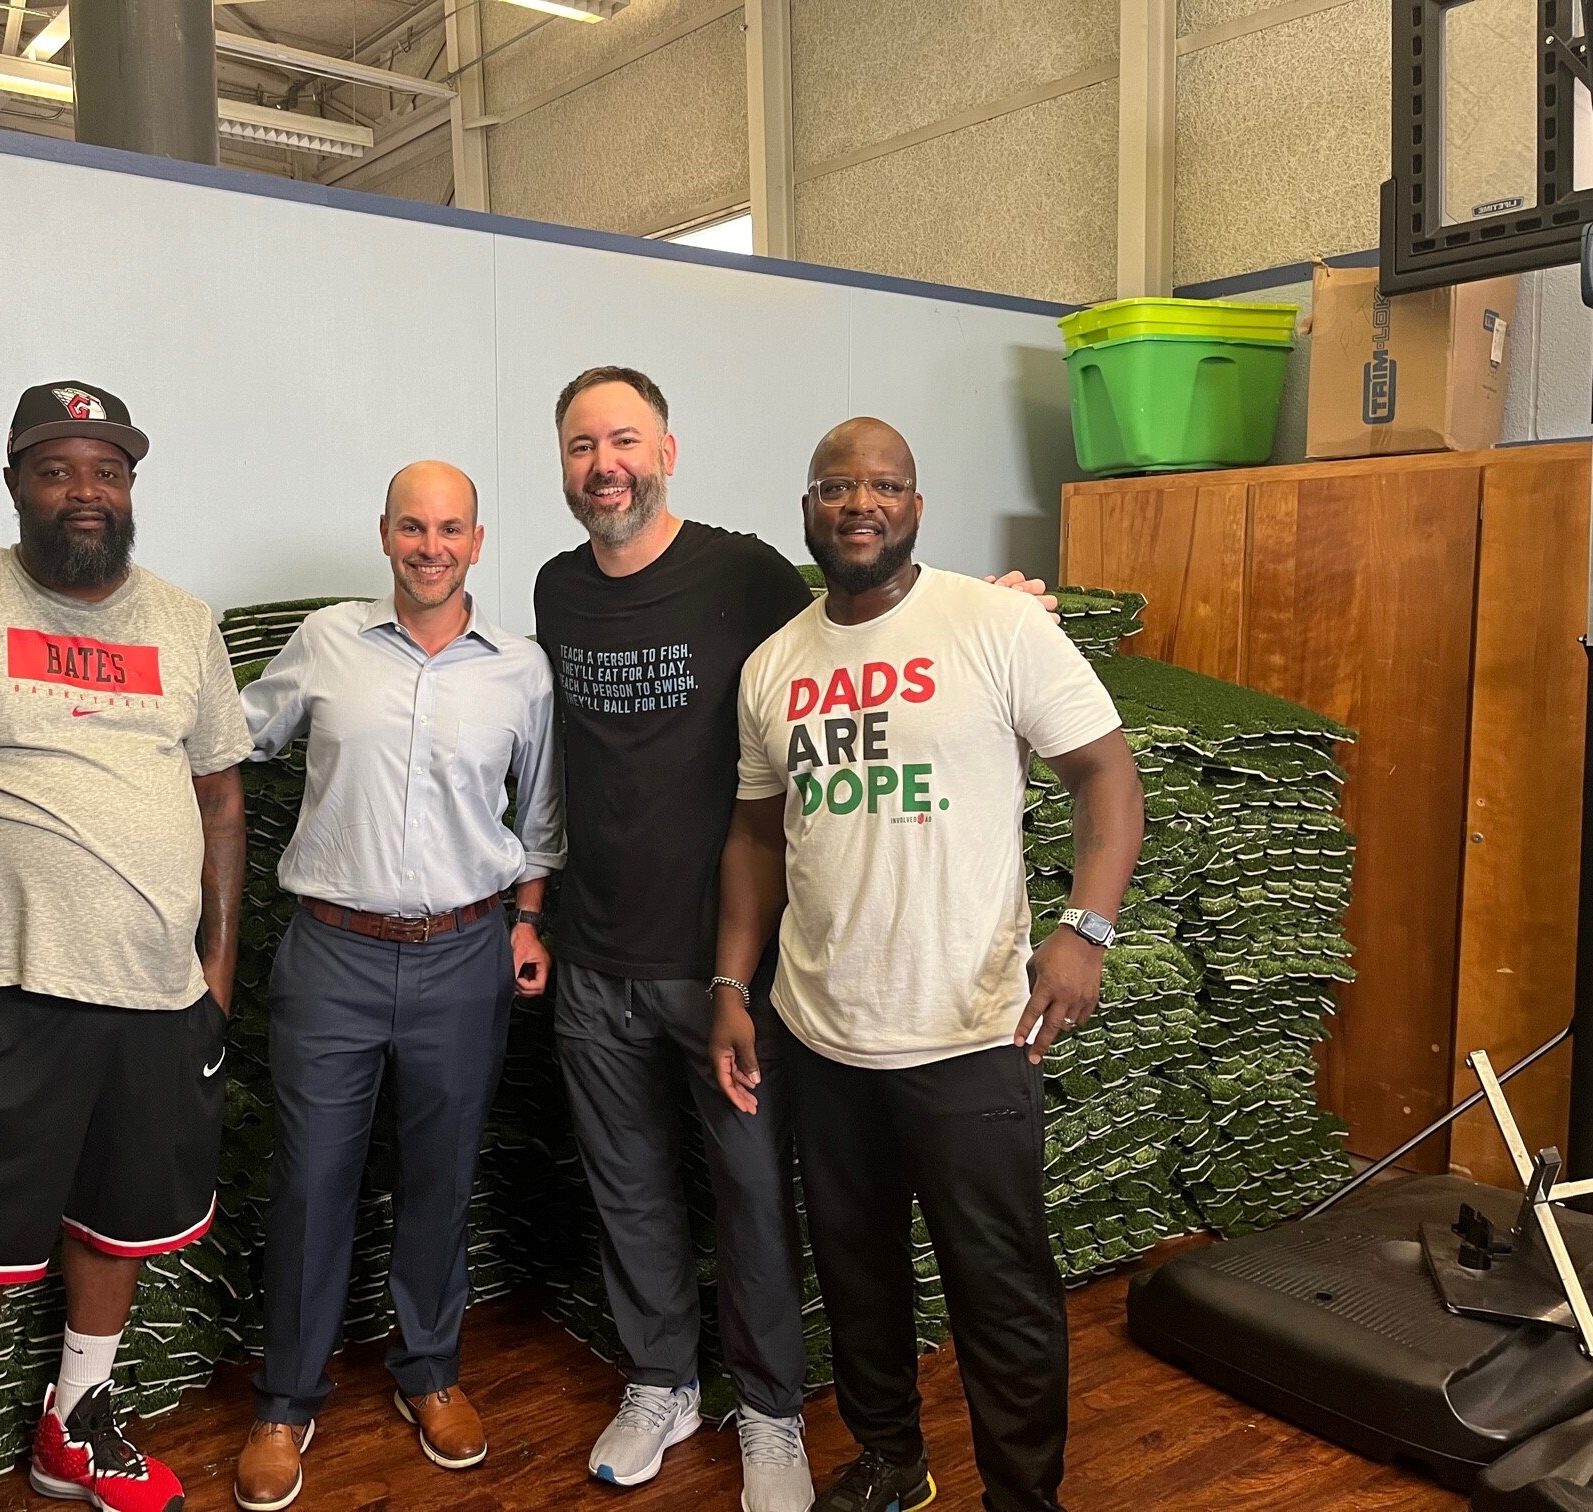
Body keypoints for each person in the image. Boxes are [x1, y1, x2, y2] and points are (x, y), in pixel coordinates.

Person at [531, 367, 1057, 1512]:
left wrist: (1000, 608)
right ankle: (662, 1382)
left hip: (729, 969)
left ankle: (771, 1416)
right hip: (595, 957)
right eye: (581, 445)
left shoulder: (749, 574)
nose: (603, 463)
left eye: (624, 439)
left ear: (667, 450)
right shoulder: (555, 591)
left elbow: (868, 618)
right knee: (629, 1193)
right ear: (562, 463)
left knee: (754, 1199)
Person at [709, 418, 1144, 1512]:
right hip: (822, 1037)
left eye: (886, 486)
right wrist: (730, 985)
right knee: (857, 1285)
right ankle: (892, 1460)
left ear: (916, 503)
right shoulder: (774, 667)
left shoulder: (994, 625)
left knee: (1000, 1291)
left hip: (970, 1035)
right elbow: (758, 839)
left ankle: (1021, 1498)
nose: (861, 504)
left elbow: (1107, 777)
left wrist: (1085, 929)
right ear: (806, 509)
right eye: (837, 487)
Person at [0, 381, 251, 1512]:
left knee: (120, 1219)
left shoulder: (184, 623)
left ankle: (74, 1425)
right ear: (17, 480)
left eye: (108, 470)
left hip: (157, 994)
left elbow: (221, 802)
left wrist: (215, 975)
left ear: (130, 488)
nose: (86, 491)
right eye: (59, 468)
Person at [231, 461, 563, 1512]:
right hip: (332, 954)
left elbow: (542, 818)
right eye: (413, 527)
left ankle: (430, 1371)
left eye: (450, 528)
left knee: (439, 1176)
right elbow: (233, 734)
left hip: (466, 956)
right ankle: (286, 1399)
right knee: (311, 1181)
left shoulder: (522, 669)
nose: (431, 545)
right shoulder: (328, 641)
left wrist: (527, 922)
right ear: (385, 535)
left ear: (477, 540)